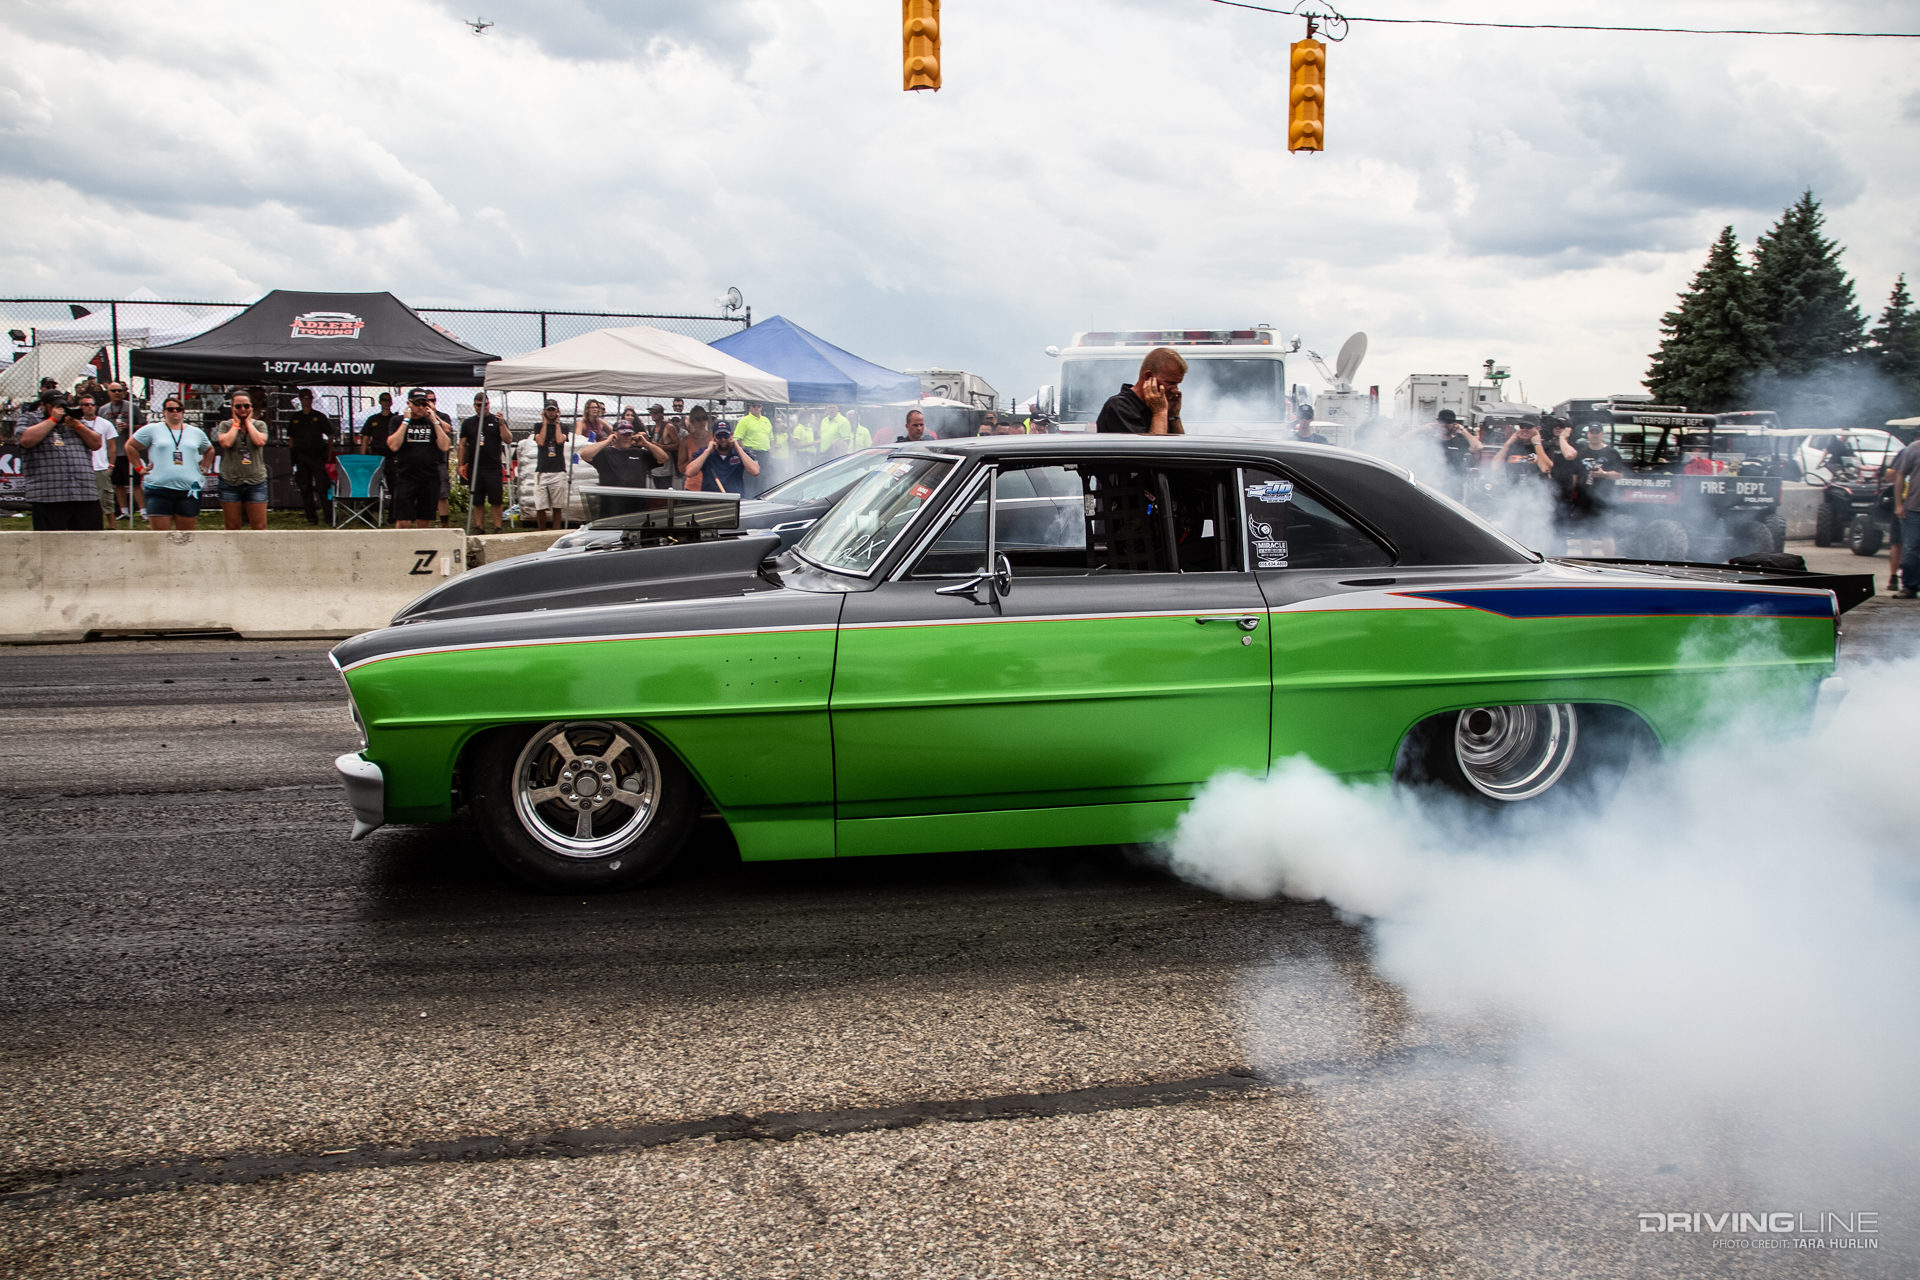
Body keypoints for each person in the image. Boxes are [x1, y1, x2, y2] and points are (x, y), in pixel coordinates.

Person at [19, 390, 105, 530]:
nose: (60, 409)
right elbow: (26, 440)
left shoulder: (74, 419)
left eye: (62, 405)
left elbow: (96, 444)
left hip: (84, 492)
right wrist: (52, 420)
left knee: (91, 539)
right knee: (50, 540)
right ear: (43, 405)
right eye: (55, 406)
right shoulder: (29, 418)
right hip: (48, 495)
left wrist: (78, 426)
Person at [128, 395, 212, 531]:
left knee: (185, 537)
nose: (174, 411)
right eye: (170, 409)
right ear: (164, 412)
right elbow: (130, 446)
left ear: (183, 412)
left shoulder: (196, 432)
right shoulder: (152, 429)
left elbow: (209, 449)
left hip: (188, 491)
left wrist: (206, 467)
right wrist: (138, 468)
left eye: (178, 409)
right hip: (158, 489)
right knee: (160, 537)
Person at [387, 390, 451, 530]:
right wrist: (406, 421)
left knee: (423, 520)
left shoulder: (432, 421)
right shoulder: (397, 420)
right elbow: (393, 446)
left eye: (423, 404)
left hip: (429, 476)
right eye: (417, 404)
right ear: (409, 404)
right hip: (406, 475)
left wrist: (435, 421)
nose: (420, 407)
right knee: (403, 520)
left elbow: (445, 446)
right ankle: (401, 544)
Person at [212, 390, 271, 530]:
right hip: (230, 481)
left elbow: (259, 441)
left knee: (259, 526)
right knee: (232, 526)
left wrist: (248, 422)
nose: (243, 409)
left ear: (251, 407)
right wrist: (236, 423)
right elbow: (226, 443)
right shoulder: (225, 425)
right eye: (238, 406)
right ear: (232, 408)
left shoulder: (260, 425)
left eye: (246, 406)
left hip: (255, 481)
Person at [1096, 348, 1188, 435]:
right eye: (1170, 383)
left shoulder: (1155, 406)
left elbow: (1181, 446)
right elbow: (1154, 446)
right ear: (1148, 377)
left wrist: (1173, 416)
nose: (1175, 390)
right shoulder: (1119, 407)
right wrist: (1159, 412)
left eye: (1177, 384)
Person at [458, 393, 510, 533]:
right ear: (474, 406)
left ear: (489, 404)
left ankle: (497, 527)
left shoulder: (496, 420)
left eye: (485, 404)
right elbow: (462, 444)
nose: (482, 407)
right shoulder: (468, 423)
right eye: (479, 405)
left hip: (493, 466)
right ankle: (479, 526)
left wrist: (502, 423)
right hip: (475, 467)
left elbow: (508, 439)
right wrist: (461, 464)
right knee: (477, 499)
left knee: (496, 499)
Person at [285, 388, 337, 524]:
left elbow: (330, 435)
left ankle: (329, 517)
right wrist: (293, 455)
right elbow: (291, 438)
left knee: (323, 487)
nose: (307, 400)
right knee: (305, 488)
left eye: (309, 397)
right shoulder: (296, 418)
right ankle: (311, 518)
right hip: (301, 456)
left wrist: (328, 453)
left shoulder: (319, 416)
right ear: (300, 399)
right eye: (304, 397)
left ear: (312, 399)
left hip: (317, 456)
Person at [580, 410, 669, 487]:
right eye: (623, 434)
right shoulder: (605, 453)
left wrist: (646, 444)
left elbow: (663, 458)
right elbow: (584, 454)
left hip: (635, 498)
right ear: (614, 434)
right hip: (612, 499)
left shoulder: (639, 453)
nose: (627, 438)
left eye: (629, 434)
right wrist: (607, 442)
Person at [100, 380, 145, 523]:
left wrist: (129, 426)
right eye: (113, 391)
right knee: (118, 483)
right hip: (113, 452)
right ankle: (124, 511)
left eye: (119, 390)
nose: (117, 393)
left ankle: (143, 511)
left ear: (124, 392)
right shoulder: (103, 410)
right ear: (108, 393)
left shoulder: (132, 407)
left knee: (135, 483)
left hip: (129, 451)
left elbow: (143, 426)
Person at [72, 392, 116, 525]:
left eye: (92, 404)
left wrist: (110, 466)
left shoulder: (105, 424)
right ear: (81, 407)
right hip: (83, 467)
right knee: (86, 499)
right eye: (86, 405)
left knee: (106, 499)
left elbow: (112, 446)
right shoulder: (75, 424)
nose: (90, 407)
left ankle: (112, 527)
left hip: (100, 467)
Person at [529, 400, 571, 530]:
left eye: (553, 410)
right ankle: (541, 531)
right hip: (542, 470)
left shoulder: (564, 427)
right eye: (549, 410)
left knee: (557, 505)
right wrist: (545, 423)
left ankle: (555, 530)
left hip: (558, 470)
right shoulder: (538, 426)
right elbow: (540, 442)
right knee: (540, 505)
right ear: (545, 411)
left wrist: (557, 423)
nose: (551, 413)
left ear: (557, 411)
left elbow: (559, 440)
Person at [686, 421, 761, 493]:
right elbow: (689, 473)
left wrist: (738, 449)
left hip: (734, 498)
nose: (723, 439)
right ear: (713, 436)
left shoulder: (740, 453)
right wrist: (707, 451)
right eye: (719, 436)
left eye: (726, 435)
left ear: (731, 435)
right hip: (711, 498)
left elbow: (755, 472)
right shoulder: (704, 452)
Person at [1889, 434, 1920, 598]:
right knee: (1910, 549)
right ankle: (1909, 587)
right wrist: (1899, 504)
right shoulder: (1914, 448)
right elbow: (1900, 474)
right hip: (1914, 508)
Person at [424, 390, 455, 525]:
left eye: (432, 400)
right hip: (423, 460)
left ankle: (445, 523)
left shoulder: (443, 416)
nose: (430, 403)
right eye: (427, 401)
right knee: (423, 493)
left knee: (442, 494)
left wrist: (434, 415)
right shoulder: (419, 418)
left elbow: (447, 429)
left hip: (439, 459)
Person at [674, 408, 714, 486]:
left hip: (712, 484)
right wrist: (694, 460)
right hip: (693, 485)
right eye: (698, 419)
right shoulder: (686, 441)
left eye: (704, 418)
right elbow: (681, 468)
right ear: (692, 421)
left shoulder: (714, 437)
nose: (702, 422)